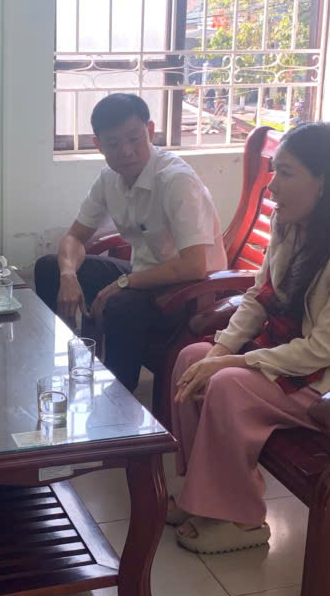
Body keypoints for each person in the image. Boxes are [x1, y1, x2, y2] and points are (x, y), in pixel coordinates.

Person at [168, 122, 330, 554]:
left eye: (285, 172)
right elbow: (259, 297)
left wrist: (229, 363)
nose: (271, 185)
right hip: (299, 359)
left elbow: (322, 350)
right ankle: (202, 496)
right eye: (273, 170)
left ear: (324, 181)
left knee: (228, 384)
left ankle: (242, 520)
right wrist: (220, 350)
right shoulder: (289, 223)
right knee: (192, 358)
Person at [34, 93, 225, 391]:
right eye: (113, 144)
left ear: (150, 131)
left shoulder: (176, 180)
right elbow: (74, 237)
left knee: (121, 304)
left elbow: (194, 265)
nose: (126, 152)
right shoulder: (109, 179)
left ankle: (119, 398)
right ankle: (59, 370)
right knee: (49, 268)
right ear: (99, 145)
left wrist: (124, 283)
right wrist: (69, 275)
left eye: (134, 139)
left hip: (189, 290)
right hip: (144, 277)